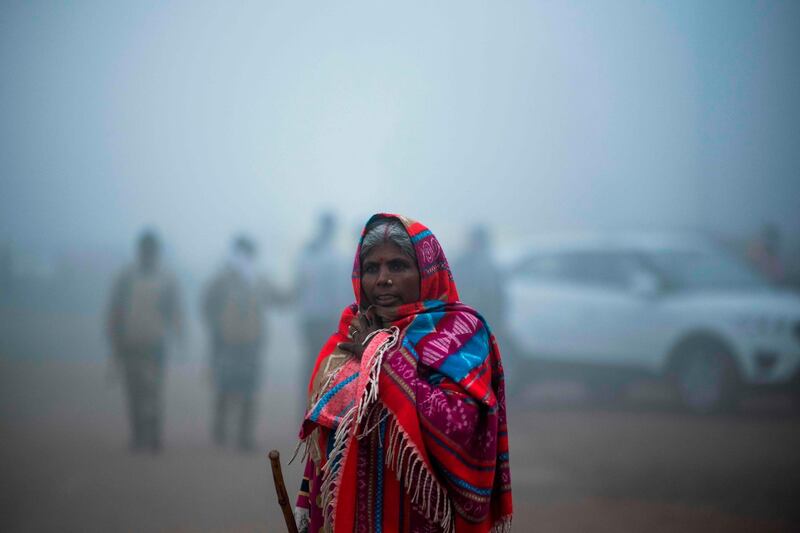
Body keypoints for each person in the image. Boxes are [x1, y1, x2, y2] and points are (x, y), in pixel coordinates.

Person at [294, 214, 512, 532]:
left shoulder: (460, 332)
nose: (382, 279)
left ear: (426, 272)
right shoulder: (351, 332)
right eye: (372, 268)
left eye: (397, 266)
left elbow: (462, 427)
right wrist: (307, 503)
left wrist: (378, 359)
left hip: (421, 519)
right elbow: (327, 433)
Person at [106, 230, 183, 453]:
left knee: (153, 391)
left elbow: (174, 310)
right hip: (131, 343)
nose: (148, 254)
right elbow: (116, 310)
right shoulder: (126, 277)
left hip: (155, 343)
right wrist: (115, 339)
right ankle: (139, 435)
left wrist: (178, 333)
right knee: (134, 391)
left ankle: (153, 435)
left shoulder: (166, 279)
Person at [202, 235, 279, 451]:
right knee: (227, 386)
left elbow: (279, 298)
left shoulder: (255, 279)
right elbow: (207, 304)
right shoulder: (224, 279)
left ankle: (241, 436)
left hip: (250, 343)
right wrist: (217, 329)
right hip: (229, 342)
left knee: (246, 388)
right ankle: (224, 432)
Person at [295, 211, 351, 413]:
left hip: (312, 319)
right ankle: (318, 408)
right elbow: (339, 292)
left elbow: (299, 285)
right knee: (324, 364)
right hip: (323, 319)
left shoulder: (308, 253)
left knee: (314, 363)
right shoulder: (333, 256)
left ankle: (312, 408)